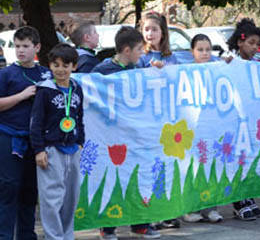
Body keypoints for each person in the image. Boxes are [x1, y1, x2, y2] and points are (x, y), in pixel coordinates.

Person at [92, 27, 160, 239]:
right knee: (112, 177)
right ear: (127, 49)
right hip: (112, 136)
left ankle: (140, 222)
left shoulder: (137, 68)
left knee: (138, 175)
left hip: (135, 135)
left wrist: (156, 70)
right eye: (139, 49)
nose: (142, 53)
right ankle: (108, 226)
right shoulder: (102, 71)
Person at [0, 26, 51, 239]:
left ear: (36, 47)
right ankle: (4, 235)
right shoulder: (6, 73)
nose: (20, 51)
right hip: (9, 136)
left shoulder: (45, 73)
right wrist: (21, 96)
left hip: (36, 140)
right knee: (9, 188)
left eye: (25, 46)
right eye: (17, 46)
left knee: (30, 190)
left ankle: (26, 235)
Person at [30, 43, 84, 240]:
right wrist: (39, 149)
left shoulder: (77, 89)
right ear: (50, 66)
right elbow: (36, 122)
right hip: (51, 150)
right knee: (52, 198)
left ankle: (66, 235)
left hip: (73, 149)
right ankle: (54, 237)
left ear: (74, 67)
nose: (60, 69)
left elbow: (79, 117)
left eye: (65, 65)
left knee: (71, 198)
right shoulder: (45, 91)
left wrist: (81, 142)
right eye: (56, 65)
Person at [181, 34, 225, 224]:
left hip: (212, 126)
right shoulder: (184, 71)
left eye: (208, 49)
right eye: (200, 49)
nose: (205, 53)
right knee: (193, 168)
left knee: (211, 166)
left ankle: (211, 208)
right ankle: (191, 209)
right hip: (192, 127)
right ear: (192, 51)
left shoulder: (218, 68)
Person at [226, 19, 260, 221]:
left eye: (256, 44)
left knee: (250, 159)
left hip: (250, 120)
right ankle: (238, 202)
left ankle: (249, 198)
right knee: (237, 160)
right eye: (251, 43)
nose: (254, 48)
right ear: (240, 42)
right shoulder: (228, 61)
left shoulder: (255, 64)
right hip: (233, 120)